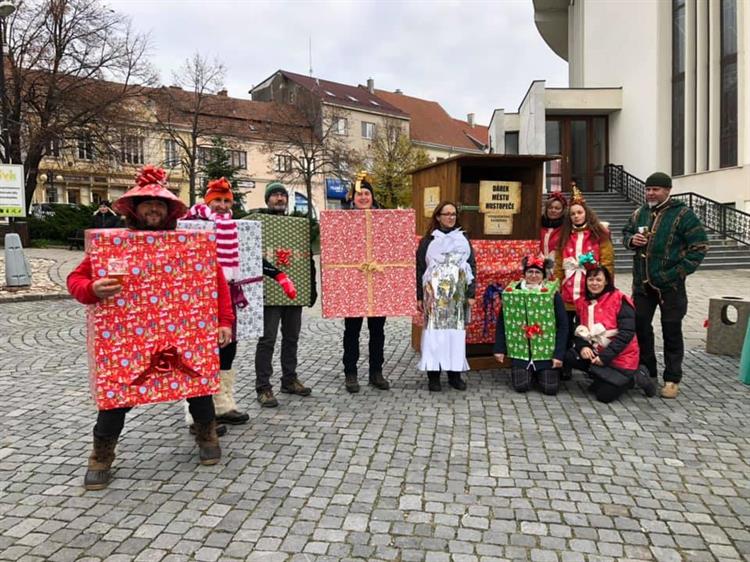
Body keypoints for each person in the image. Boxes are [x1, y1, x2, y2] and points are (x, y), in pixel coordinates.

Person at [67, 165, 233, 490]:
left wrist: (224, 321)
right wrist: (92, 289)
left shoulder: (189, 245)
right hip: (129, 339)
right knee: (116, 395)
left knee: (198, 384)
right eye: (147, 203)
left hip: (183, 333)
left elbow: (217, 282)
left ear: (170, 210)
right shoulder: (113, 245)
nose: (154, 208)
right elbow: (76, 279)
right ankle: (101, 456)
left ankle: (207, 436)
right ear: (135, 207)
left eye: (160, 204)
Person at [183, 178, 297, 425]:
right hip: (202, 299)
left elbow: (253, 256)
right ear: (207, 201)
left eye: (226, 201)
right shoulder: (192, 226)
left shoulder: (236, 227)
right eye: (217, 201)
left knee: (228, 350)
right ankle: (197, 414)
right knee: (202, 353)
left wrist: (279, 276)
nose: (222, 206)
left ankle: (223, 404)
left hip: (230, 298)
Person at [622, 172, 708, 398]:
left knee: (671, 331)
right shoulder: (640, 213)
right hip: (642, 284)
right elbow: (625, 232)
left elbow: (699, 247)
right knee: (640, 327)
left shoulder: (683, 214)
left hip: (671, 286)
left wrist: (677, 273)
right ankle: (648, 372)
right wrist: (632, 240)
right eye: (648, 189)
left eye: (656, 189)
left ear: (668, 190)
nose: (650, 193)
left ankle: (672, 378)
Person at [254, 182, 316, 407]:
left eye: (282, 195)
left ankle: (289, 379)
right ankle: (263, 386)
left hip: (293, 292)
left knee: (292, 337)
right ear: (267, 200)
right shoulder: (258, 222)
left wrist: (309, 289)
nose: (279, 199)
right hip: (269, 291)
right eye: (275, 195)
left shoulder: (297, 226)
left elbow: (308, 254)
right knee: (267, 339)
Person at [565, 266, 657, 403]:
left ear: (606, 281)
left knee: (604, 396)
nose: (594, 283)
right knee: (568, 356)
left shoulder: (620, 300)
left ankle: (636, 377)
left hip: (620, 355)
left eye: (598, 279)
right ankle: (602, 377)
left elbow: (626, 334)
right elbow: (580, 328)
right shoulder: (583, 302)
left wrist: (605, 357)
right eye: (590, 279)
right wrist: (583, 346)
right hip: (596, 351)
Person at [554, 187, 614, 378]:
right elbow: (557, 264)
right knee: (565, 328)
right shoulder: (564, 236)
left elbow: (607, 262)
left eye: (579, 213)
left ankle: (591, 364)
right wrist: (556, 283)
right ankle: (564, 364)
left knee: (589, 331)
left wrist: (605, 286)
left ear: (586, 213)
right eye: (572, 214)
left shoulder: (599, 235)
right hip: (568, 292)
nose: (576, 216)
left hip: (590, 292)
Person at [416, 201, 476, 391]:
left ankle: (454, 375)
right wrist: (419, 296)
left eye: (453, 214)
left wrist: (471, 293)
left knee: (454, 336)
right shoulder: (428, 241)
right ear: (438, 216)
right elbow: (420, 269)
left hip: (457, 297)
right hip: (434, 296)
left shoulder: (463, 239)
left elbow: (471, 266)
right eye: (446, 214)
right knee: (435, 335)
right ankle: (433, 376)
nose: (450, 217)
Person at [342, 173, 390, 393]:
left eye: (366, 193)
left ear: (372, 197)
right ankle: (350, 372)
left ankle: (376, 372)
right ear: (353, 198)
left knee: (377, 330)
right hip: (352, 283)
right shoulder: (343, 221)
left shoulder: (384, 220)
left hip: (377, 282)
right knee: (352, 330)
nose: (363, 197)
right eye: (359, 194)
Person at [493, 256, 567, 395]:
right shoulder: (513, 293)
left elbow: (563, 325)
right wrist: (500, 348)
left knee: (549, 389)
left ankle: (542, 371)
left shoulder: (552, 294)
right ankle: (528, 371)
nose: (533, 275)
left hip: (546, 353)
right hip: (521, 353)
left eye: (538, 272)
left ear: (543, 275)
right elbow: (503, 322)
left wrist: (558, 354)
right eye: (530, 272)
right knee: (521, 387)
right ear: (524, 273)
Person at [540, 192, 567, 278]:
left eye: (557, 208)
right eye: (550, 207)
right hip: (539, 270)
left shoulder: (567, 228)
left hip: (559, 270)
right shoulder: (538, 225)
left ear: (563, 210)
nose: (553, 210)